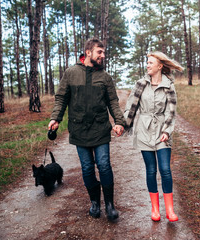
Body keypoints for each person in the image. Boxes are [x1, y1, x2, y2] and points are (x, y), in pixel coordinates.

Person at [48, 38, 125, 221]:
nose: (103, 55)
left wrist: (119, 121)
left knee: (104, 165)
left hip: (100, 128)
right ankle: (95, 203)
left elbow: (113, 102)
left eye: (104, 52)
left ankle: (109, 205)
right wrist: (55, 118)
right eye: (100, 52)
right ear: (88, 52)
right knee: (87, 168)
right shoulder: (71, 73)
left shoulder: (105, 77)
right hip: (79, 130)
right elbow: (61, 98)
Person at [124, 51, 183, 222]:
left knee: (165, 169)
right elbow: (131, 108)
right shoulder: (140, 84)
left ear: (160, 66)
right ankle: (155, 209)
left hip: (162, 131)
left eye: (150, 63)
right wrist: (123, 125)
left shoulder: (169, 86)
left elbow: (171, 112)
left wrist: (166, 131)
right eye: (147, 62)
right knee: (151, 170)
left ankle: (170, 211)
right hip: (144, 130)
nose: (147, 65)